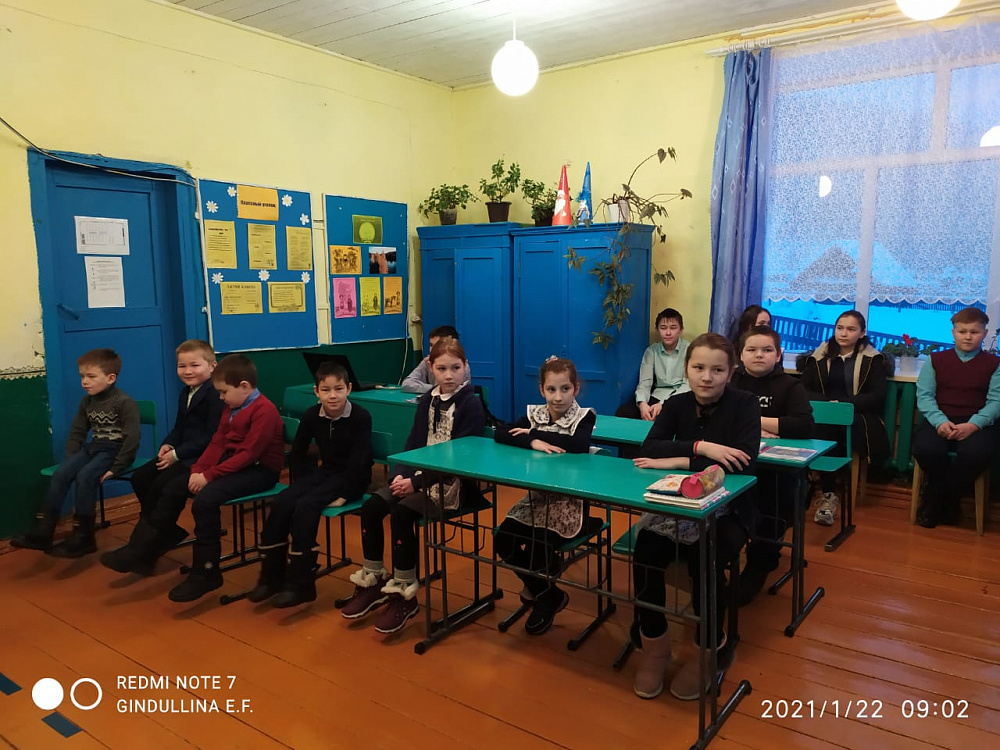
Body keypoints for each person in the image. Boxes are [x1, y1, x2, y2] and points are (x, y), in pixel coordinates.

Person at [630, 333, 760, 701]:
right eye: (699, 367)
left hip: (730, 508)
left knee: (705, 561)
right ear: (686, 369)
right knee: (645, 552)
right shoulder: (676, 403)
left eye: (717, 370)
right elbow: (649, 448)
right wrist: (703, 448)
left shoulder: (745, 404)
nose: (707, 377)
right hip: (677, 505)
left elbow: (742, 462)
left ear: (730, 372)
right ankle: (655, 647)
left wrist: (678, 460)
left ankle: (709, 650)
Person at [339, 337, 486, 634]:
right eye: (441, 369)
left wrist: (415, 482)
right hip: (419, 477)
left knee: (402, 514)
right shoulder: (428, 399)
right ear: (430, 367)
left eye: (455, 368)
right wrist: (399, 473)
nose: (449, 375)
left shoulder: (471, 404)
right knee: (372, 506)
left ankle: (404, 593)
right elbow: (414, 442)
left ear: (465, 367)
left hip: (453, 485)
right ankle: (374, 579)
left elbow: (459, 460)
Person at [248, 361, 372, 608]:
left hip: (352, 478)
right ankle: (271, 577)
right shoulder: (311, 415)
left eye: (338, 389)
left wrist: (346, 494)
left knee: (307, 505)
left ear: (348, 389)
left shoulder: (360, 416)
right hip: (326, 472)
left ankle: (301, 584)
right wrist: (300, 483)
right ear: (317, 392)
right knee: (283, 501)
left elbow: (361, 461)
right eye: (326, 390)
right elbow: (299, 453)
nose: (333, 395)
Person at [166, 354, 285, 603]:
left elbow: (248, 454)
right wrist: (199, 469)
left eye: (223, 392)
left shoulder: (265, 410)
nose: (221, 398)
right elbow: (218, 442)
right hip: (237, 464)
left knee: (205, 500)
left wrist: (209, 476)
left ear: (244, 386)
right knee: (178, 485)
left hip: (260, 471)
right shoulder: (232, 407)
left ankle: (207, 571)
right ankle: (161, 540)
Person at [100, 340, 224, 575]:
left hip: (203, 457)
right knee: (141, 478)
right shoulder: (186, 392)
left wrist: (177, 454)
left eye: (195, 365)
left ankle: (140, 548)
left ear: (212, 366)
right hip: (184, 452)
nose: (187, 371)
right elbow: (180, 427)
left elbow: (212, 436)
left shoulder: (216, 394)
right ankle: (162, 535)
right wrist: (169, 443)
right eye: (181, 366)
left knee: (165, 486)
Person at [493, 356, 597, 635]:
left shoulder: (584, 416)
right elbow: (500, 433)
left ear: (575, 389)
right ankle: (548, 594)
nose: (558, 397)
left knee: (537, 546)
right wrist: (533, 440)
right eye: (551, 389)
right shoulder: (534, 414)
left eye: (565, 389)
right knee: (502, 539)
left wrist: (534, 433)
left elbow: (578, 445)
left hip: (569, 503)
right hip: (537, 500)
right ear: (542, 390)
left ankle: (541, 591)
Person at [12, 348, 139, 557]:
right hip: (93, 448)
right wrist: (71, 461)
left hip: (113, 451)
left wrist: (117, 466)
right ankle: (43, 531)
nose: (84, 382)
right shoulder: (87, 402)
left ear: (110, 378)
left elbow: (132, 438)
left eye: (91, 377)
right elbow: (77, 431)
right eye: (82, 376)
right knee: (60, 474)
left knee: (85, 476)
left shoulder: (124, 402)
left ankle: (84, 536)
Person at [731, 326, 814, 604]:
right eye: (752, 349)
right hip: (736, 466)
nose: (759, 355)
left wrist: (752, 421)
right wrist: (768, 426)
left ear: (779, 355)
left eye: (767, 350)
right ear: (741, 354)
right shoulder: (730, 380)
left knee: (771, 507)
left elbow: (803, 425)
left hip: (777, 475)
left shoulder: (790, 386)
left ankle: (761, 561)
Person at [913, 307, 1000, 528]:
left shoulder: (995, 364)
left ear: (984, 333)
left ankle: (935, 500)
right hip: (940, 420)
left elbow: (996, 402)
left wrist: (973, 425)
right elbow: (925, 396)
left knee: (976, 454)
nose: (968, 337)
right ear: (953, 333)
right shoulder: (935, 360)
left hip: (977, 423)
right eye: (962, 331)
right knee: (926, 449)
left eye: (974, 332)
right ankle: (948, 503)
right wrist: (940, 421)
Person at [799, 310, 889, 526]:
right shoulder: (819, 356)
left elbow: (877, 396)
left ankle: (832, 491)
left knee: (845, 427)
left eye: (851, 329)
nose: (844, 333)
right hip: (824, 412)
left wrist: (843, 405)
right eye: (840, 328)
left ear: (862, 333)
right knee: (820, 427)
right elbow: (803, 389)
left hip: (856, 413)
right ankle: (826, 491)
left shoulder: (872, 359)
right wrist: (827, 404)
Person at [617, 308, 690, 421]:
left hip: (680, 397)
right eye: (663, 328)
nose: (668, 333)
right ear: (657, 330)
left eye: (673, 328)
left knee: (667, 416)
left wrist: (664, 403)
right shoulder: (652, 351)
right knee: (624, 412)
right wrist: (642, 404)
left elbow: (687, 384)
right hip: (656, 396)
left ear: (681, 329)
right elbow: (645, 382)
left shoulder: (689, 350)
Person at [401, 325, 472, 393]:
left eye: (438, 345)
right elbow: (407, 384)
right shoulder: (427, 362)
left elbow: (452, 390)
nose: (432, 350)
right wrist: (434, 389)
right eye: (431, 345)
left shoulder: (461, 366)